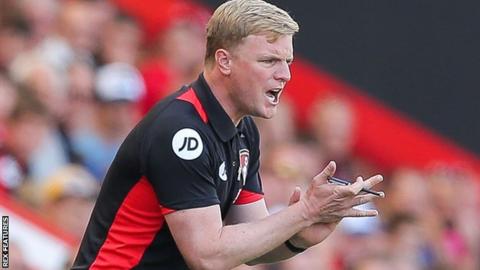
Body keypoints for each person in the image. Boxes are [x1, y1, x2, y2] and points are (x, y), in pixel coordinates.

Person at [72, 0, 384, 269]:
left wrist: (301, 236)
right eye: (269, 61)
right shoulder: (181, 131)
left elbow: (250, 241)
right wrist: (303, 212)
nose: (285, 75)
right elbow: (207, 255)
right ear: (224, 60)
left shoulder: (244, 131)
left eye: (287, 62)